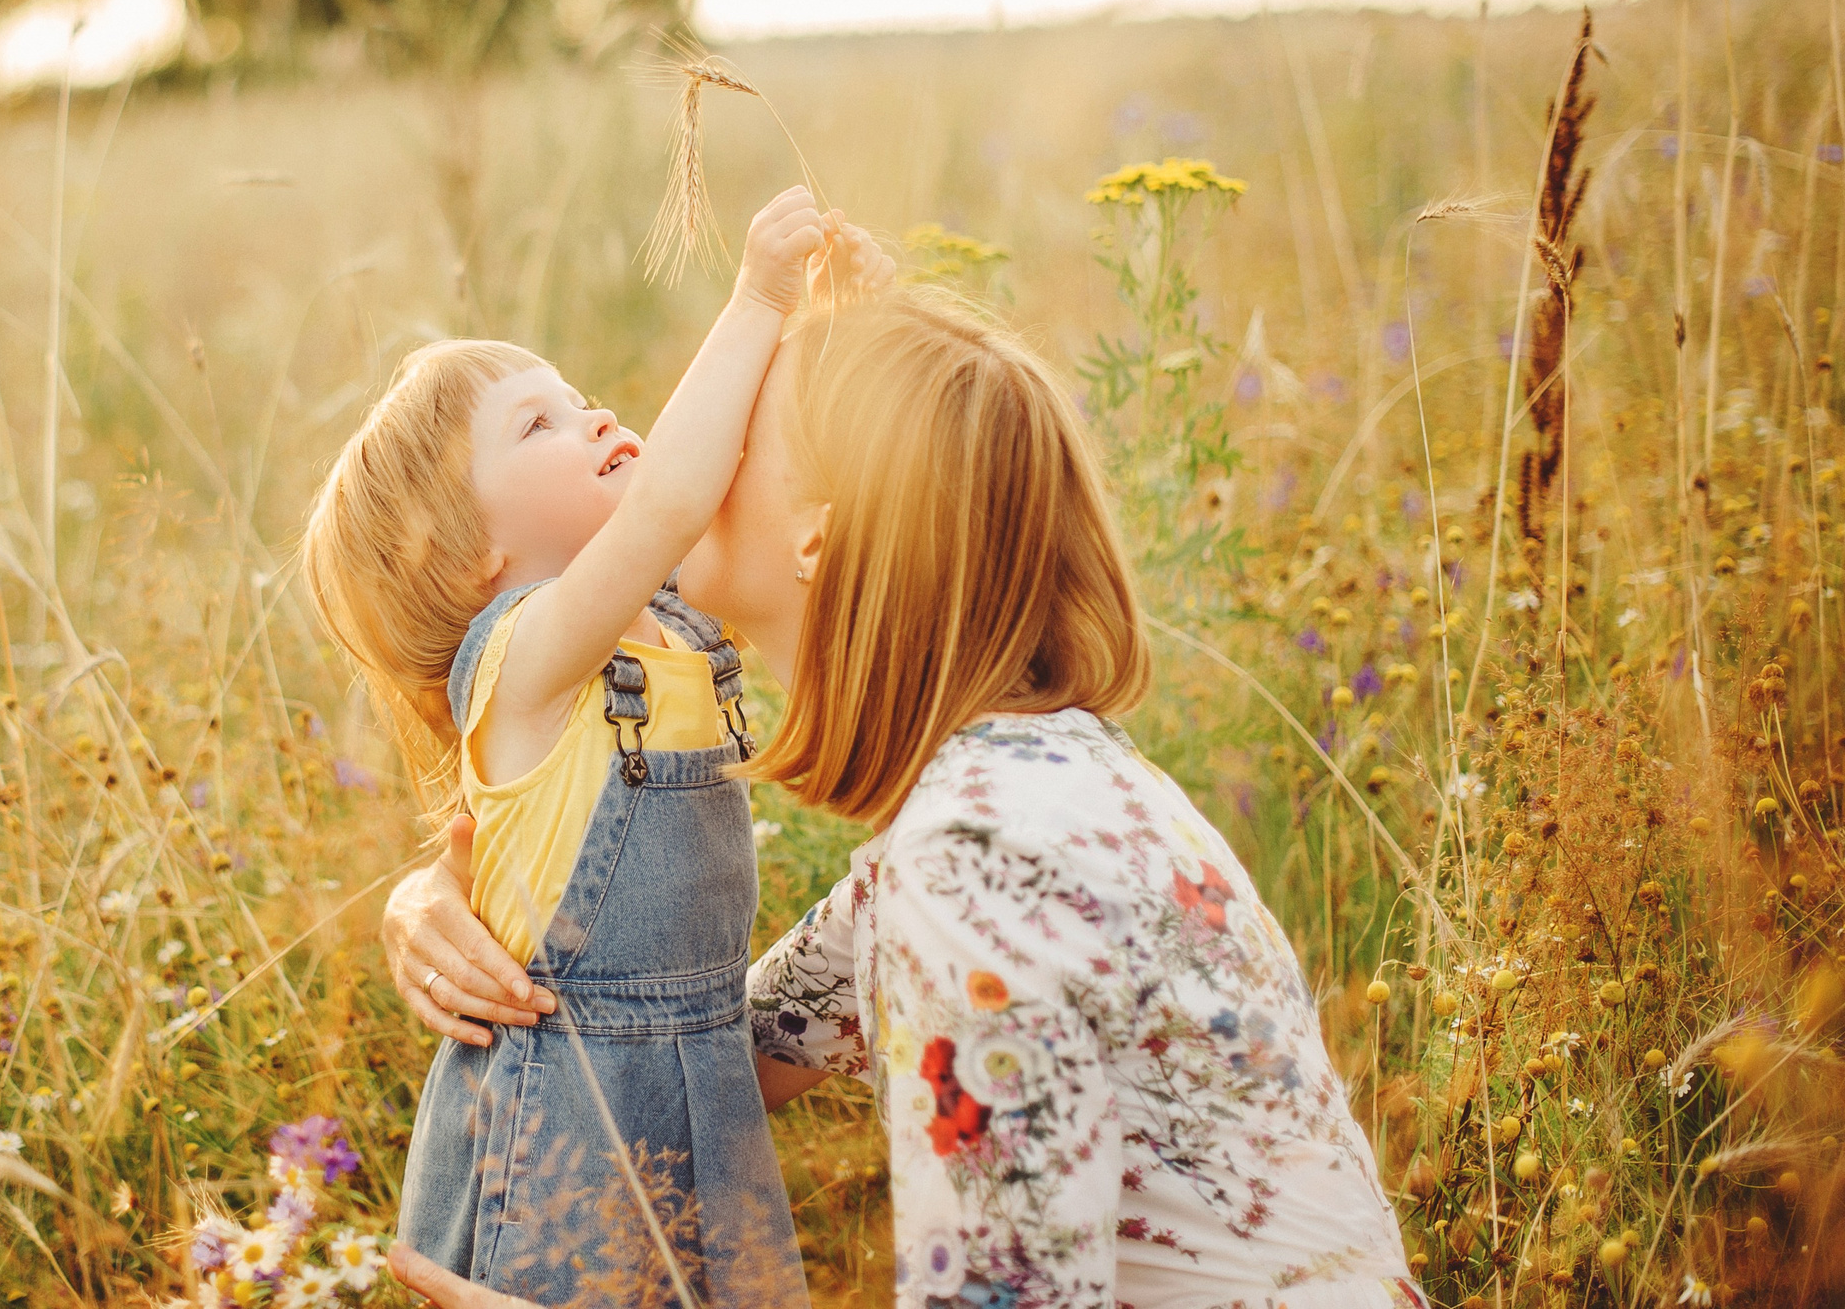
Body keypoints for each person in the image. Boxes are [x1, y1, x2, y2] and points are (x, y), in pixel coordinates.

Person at [385, 286, 1422, 1309]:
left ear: (816, 537)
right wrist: (463, 894)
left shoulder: (974, 868)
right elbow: (692, 1049)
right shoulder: (1018, 794)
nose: (692, 454)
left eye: (740, 436)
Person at [302, 185, 889, 1306]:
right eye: (539, 427)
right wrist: (756, 296)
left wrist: (836, 320)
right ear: (458, 553)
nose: (598, 420)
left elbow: (759, 483)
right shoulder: (521, 660)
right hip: (563, 1124)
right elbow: (673, 498)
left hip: (705, 1089)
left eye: (580, 401)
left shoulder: (669, 621)